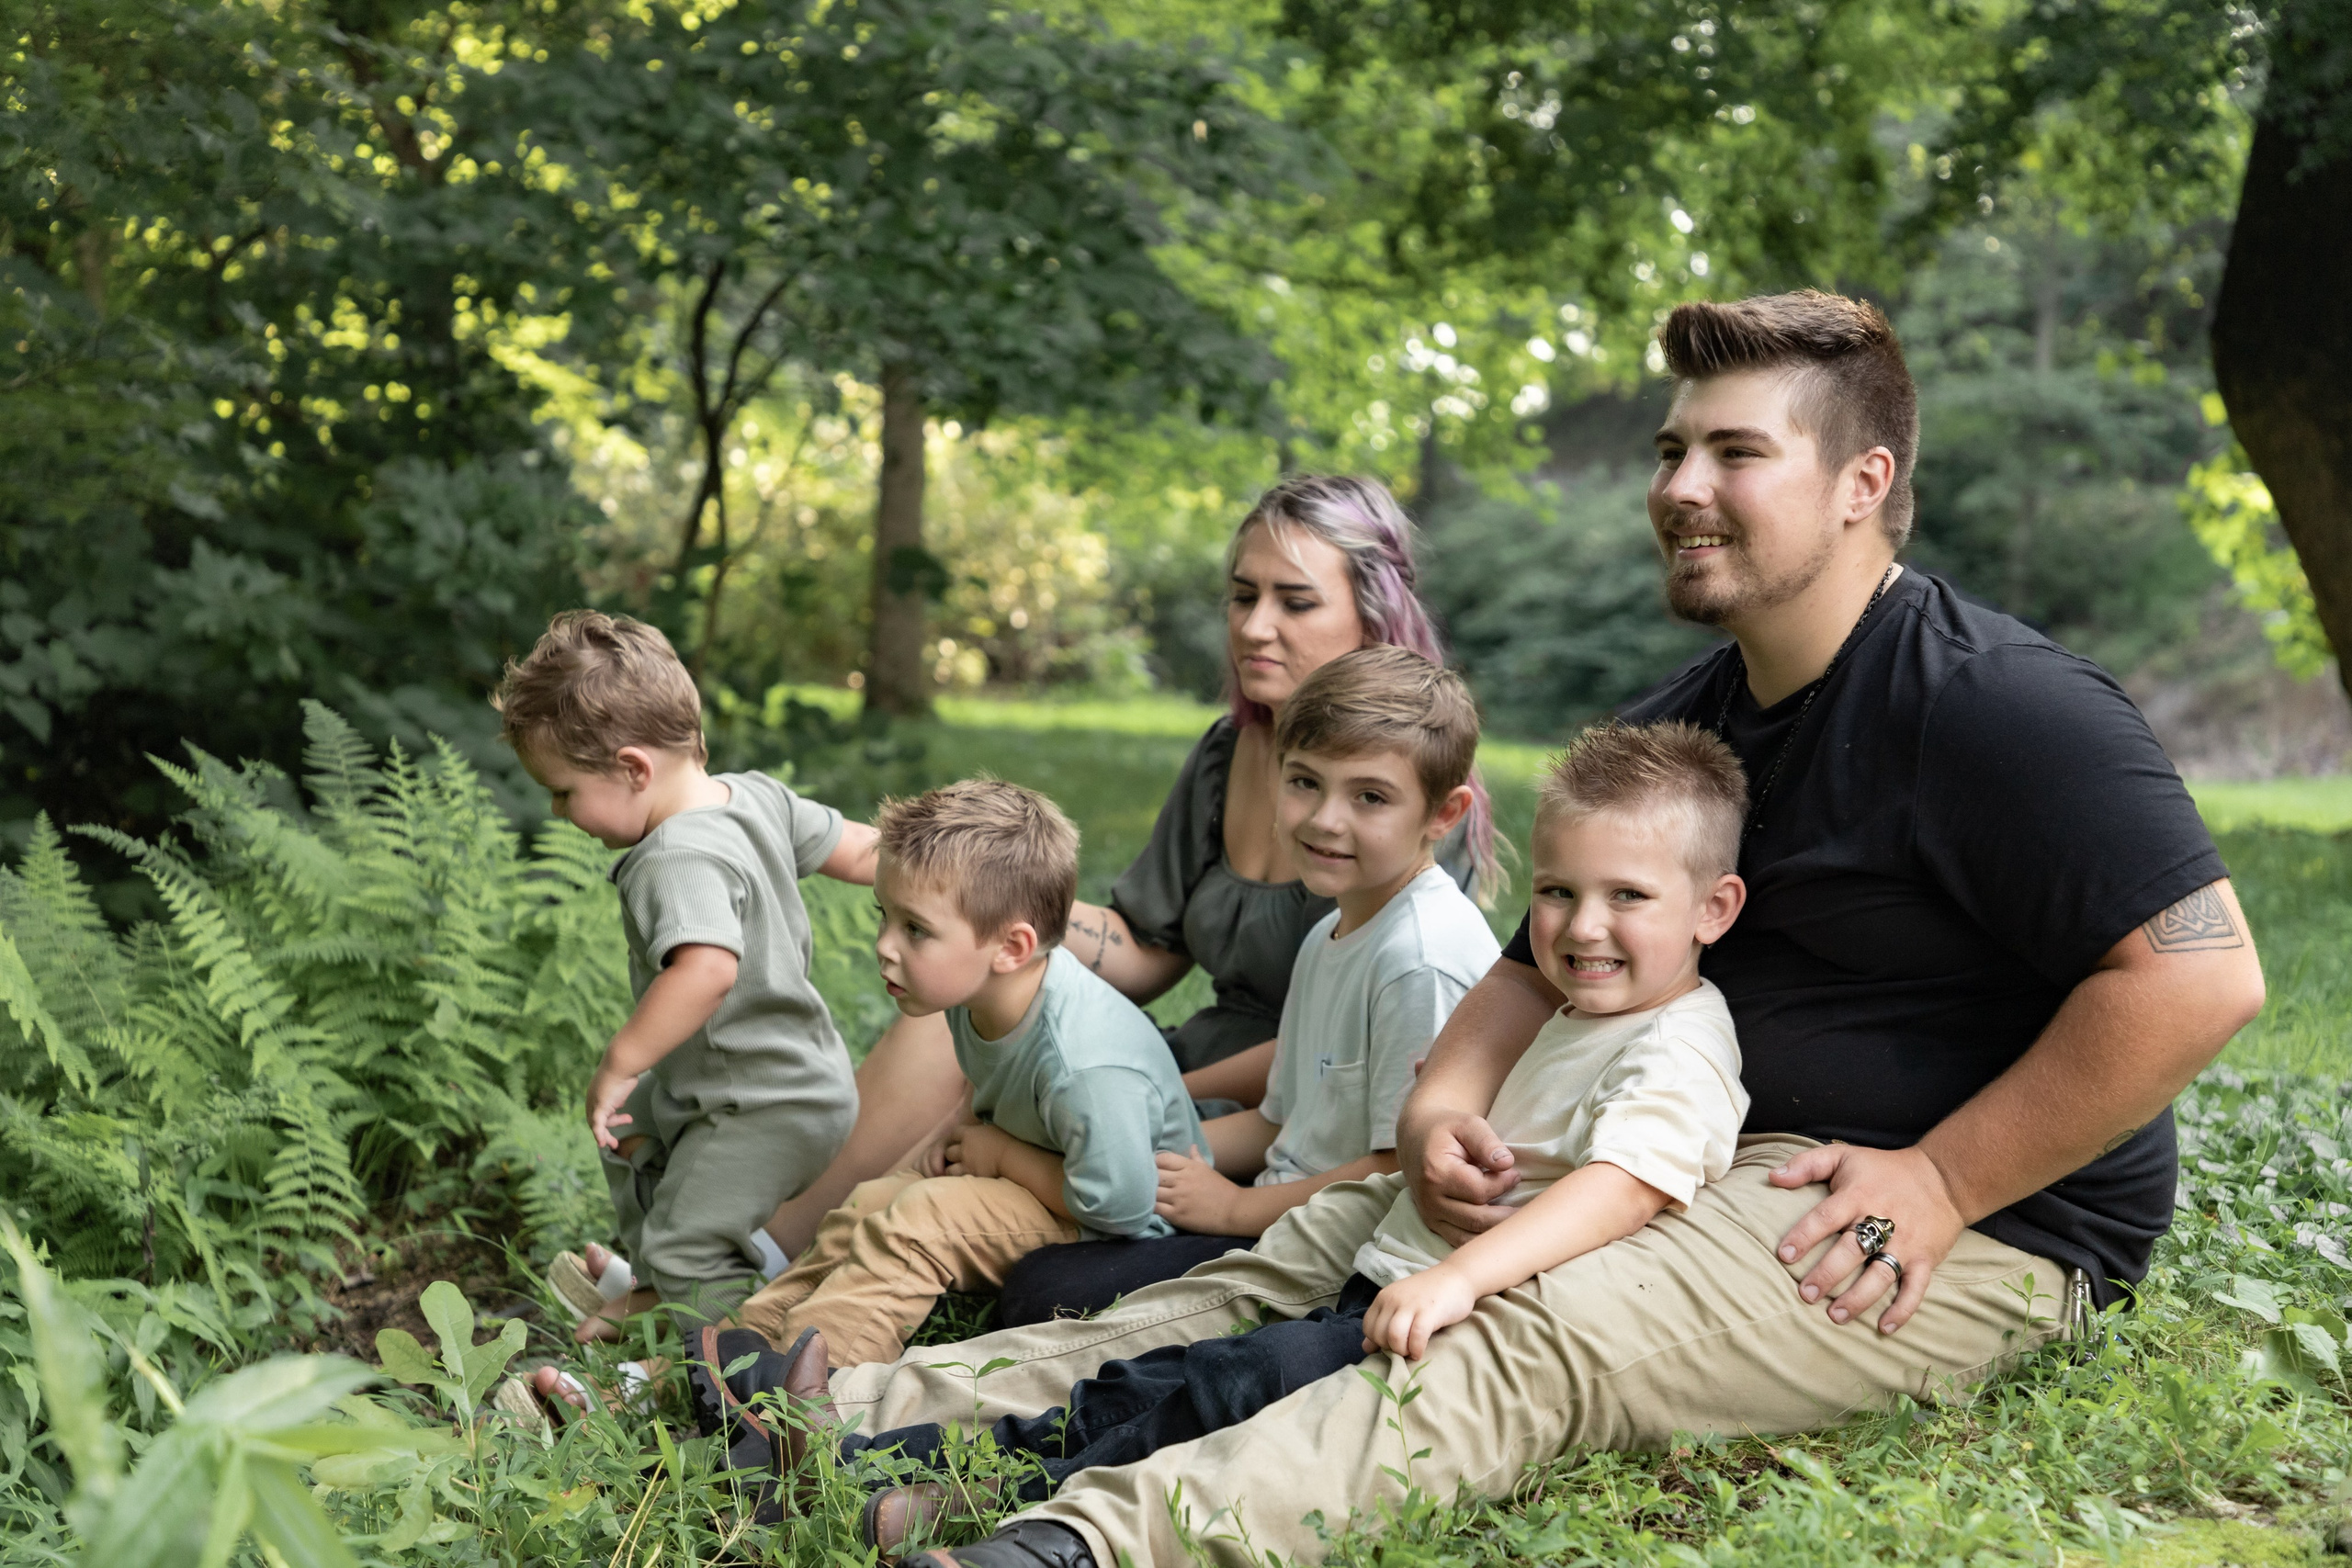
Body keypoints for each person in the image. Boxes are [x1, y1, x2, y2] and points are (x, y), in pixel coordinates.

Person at [804, 289, 2267, 1568]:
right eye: (1671, 448)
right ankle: (819, 1409)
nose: (1682, 483)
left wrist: (1945, 1179)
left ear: (1860, 483)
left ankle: (1076, 1541)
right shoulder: (1678, 726)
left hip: (1966, 1221)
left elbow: (2200, 977)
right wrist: (1442, 1109)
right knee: (1299, 1247)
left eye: (1736, 451)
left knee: (1524, 1331)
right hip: (1701, 1149)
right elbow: (1512, 977)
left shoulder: (2002, 705)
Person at [803, 720, 1749, 1562]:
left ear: (1714, 908)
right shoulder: (1567, 1011)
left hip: (1449, 1317)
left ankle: (978, 1499)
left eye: (1628, 897)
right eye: (1555, 891)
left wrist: (1457, 1279)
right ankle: (882, 1456)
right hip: (1381, 1275)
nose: (1583, 926)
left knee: (1230, 1388)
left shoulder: (1679, 1045)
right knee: (1159, 1377)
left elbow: (1627, 1187)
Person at [758, 476, 1501, 1298]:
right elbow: (1148, 948)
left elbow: (1340, 1075)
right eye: (1242, 594)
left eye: (1294, 602)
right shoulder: (1232, 751)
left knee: (1047, 1105)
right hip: (1194, 1078)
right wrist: (987, 911)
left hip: (1270, 1125)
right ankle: (768, 1252)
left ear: (1373, 614)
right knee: (975, 998)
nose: (1254, 625)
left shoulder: (1412, 813)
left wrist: (1155, 1091)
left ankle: (833, 1259)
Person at [1012, 646, 1502, 1321]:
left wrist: (1233, 1207)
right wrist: (1158, 1148)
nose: (1326, 819)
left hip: (1340, 1253)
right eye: (1305, 781)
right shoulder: (1330, 931)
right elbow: (1280, 1119)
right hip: (1281, 1209)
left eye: (1370, 796)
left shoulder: (1422, 956)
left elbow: (1398, 1167)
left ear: (1444, 814)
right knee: (1044, 1272)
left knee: (1046, 1294)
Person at [492, 610, 876, 1348]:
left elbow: (706, 968)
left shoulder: (676, 856)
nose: (556, 809)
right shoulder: (754, 796)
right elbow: (862, 851)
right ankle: (659, 1289)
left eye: (565, 791)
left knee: (689, 1239)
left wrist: (621, 1059)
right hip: (801, 1078)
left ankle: (720, 1368)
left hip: (758, 1104)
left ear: (634, 768)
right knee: (629, 1124)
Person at [731, 781, 1206, 1370]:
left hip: (1124, 1235)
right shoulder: (977, 995)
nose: (884, 945)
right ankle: (735, 1351)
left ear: (1011, 947)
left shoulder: (1085, 1063)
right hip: (1057, 1184)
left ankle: (798, 1398)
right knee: (873, 1200)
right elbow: (998, 1087)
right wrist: (955, 1140)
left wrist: (1000, 1155)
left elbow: (1123, 1205)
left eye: (916, 929)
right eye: (887, 917)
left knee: (919, 1222)